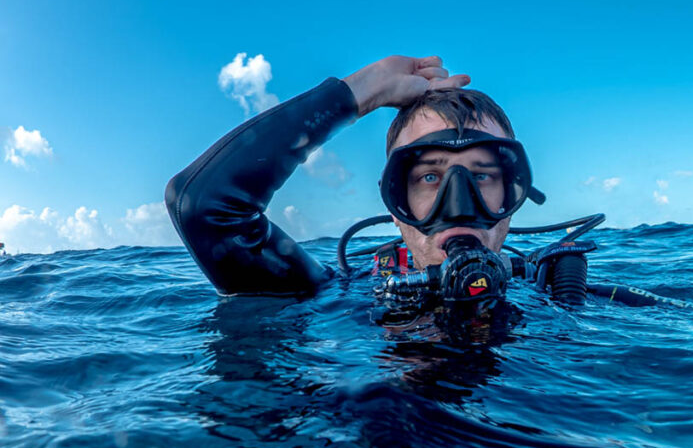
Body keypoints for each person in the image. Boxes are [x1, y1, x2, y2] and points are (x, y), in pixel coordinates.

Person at [165, 55, 535, 300]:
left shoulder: (558, 290)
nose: (458, 207)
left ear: (513, 193)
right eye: (429, 178)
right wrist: (363, 91)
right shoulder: (341, 297)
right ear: (394, 202)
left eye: (483, 175)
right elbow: (201, 203)